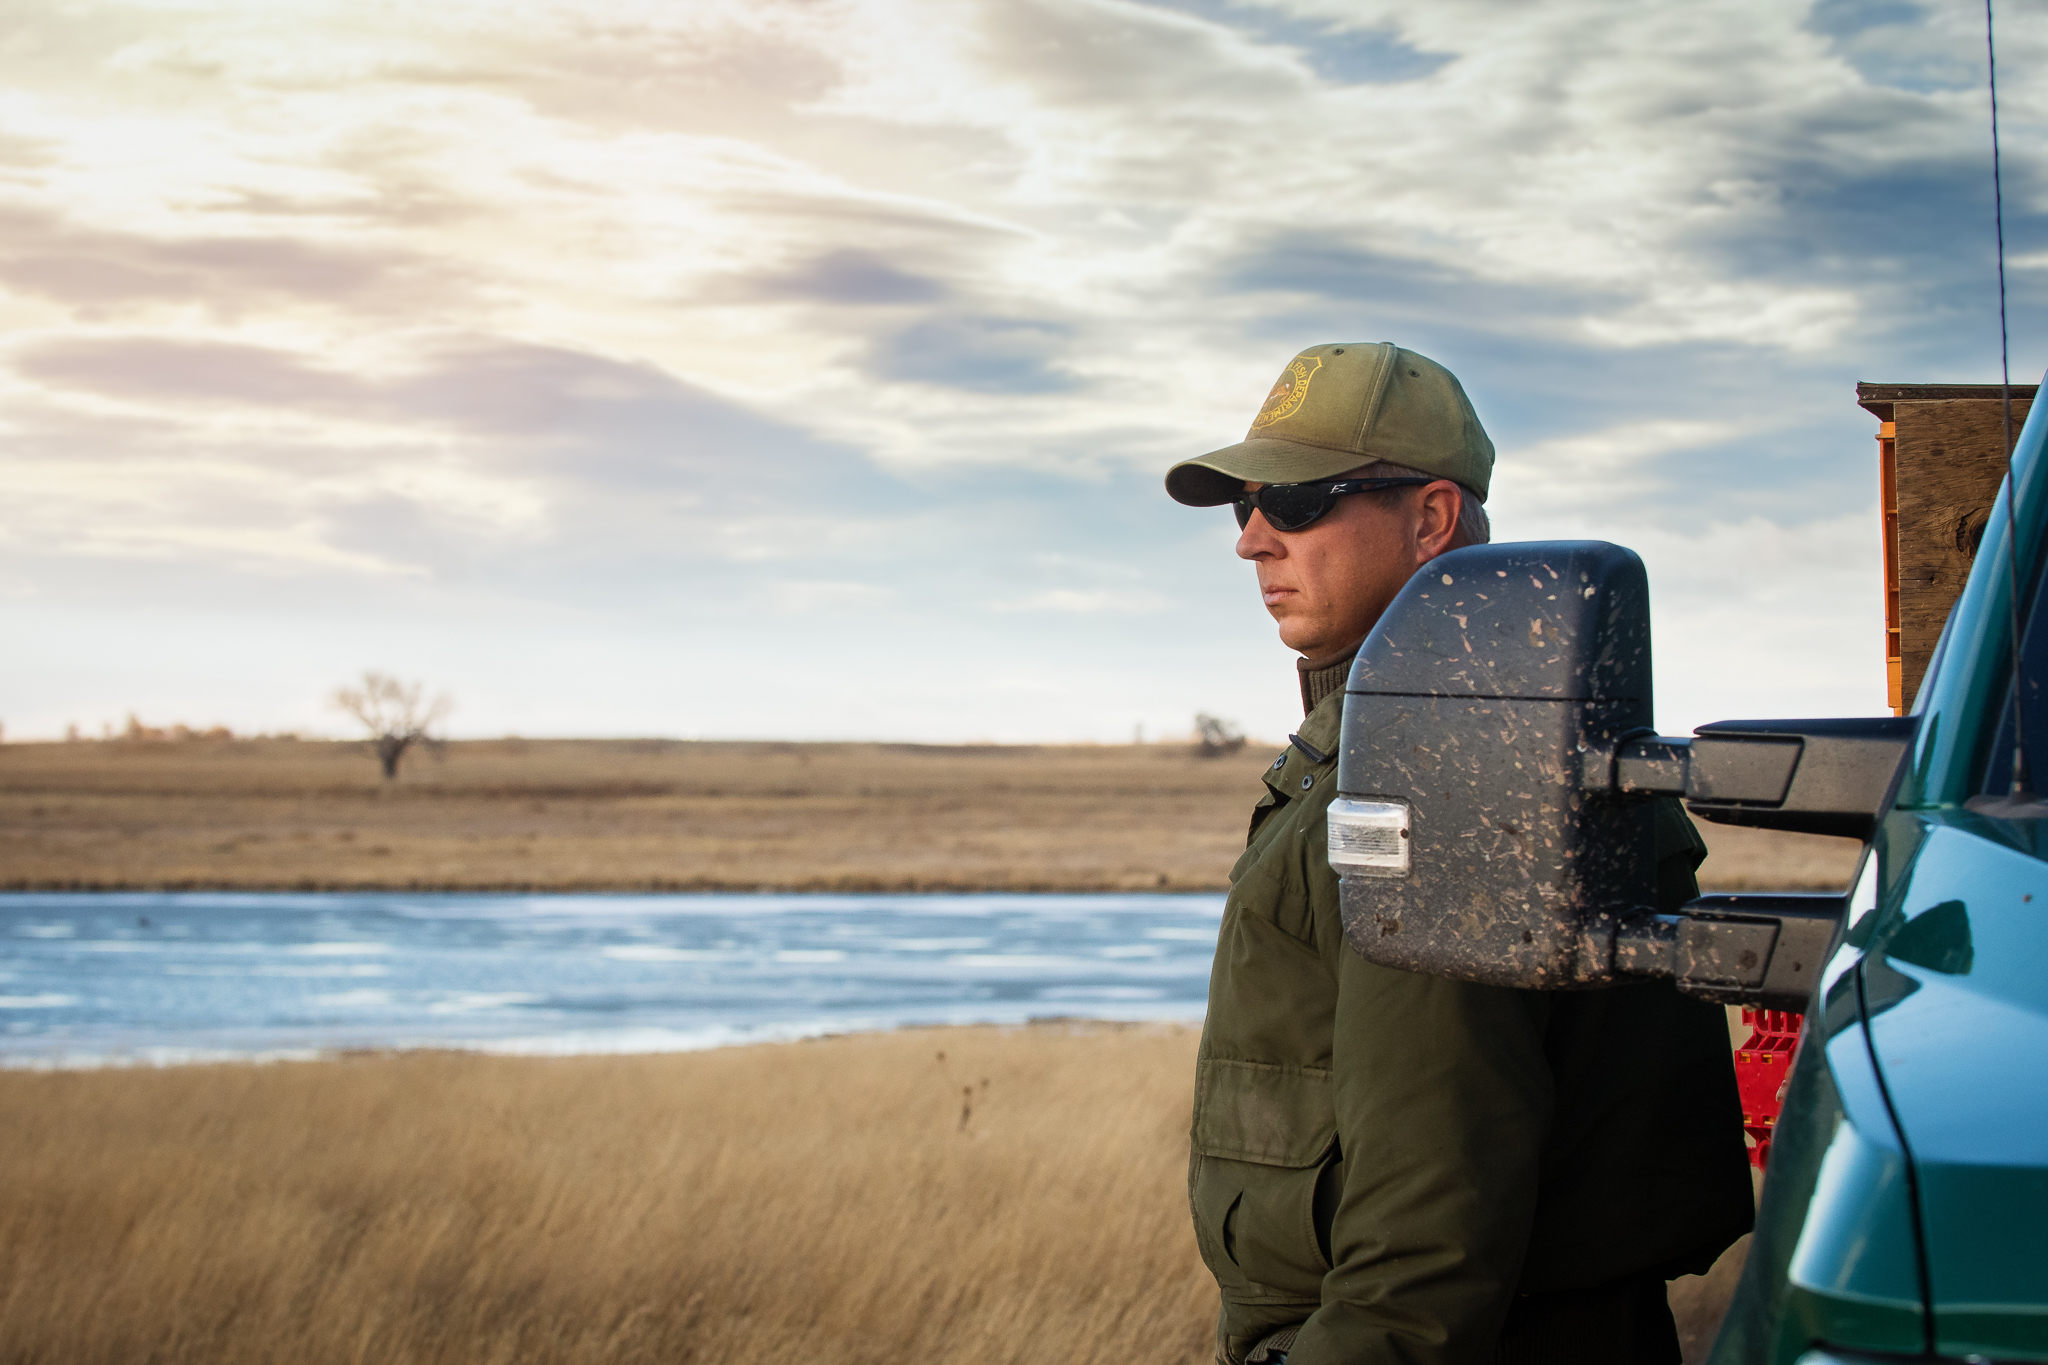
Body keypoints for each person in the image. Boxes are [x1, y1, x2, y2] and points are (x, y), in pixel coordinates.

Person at [1165, 342, 1754, 1365]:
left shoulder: (1449, 773)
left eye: (1297, 501)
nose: (1253, 542)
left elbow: (1429, 1236)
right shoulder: (1435, 737)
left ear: (1431, 518)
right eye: (1243, 507)